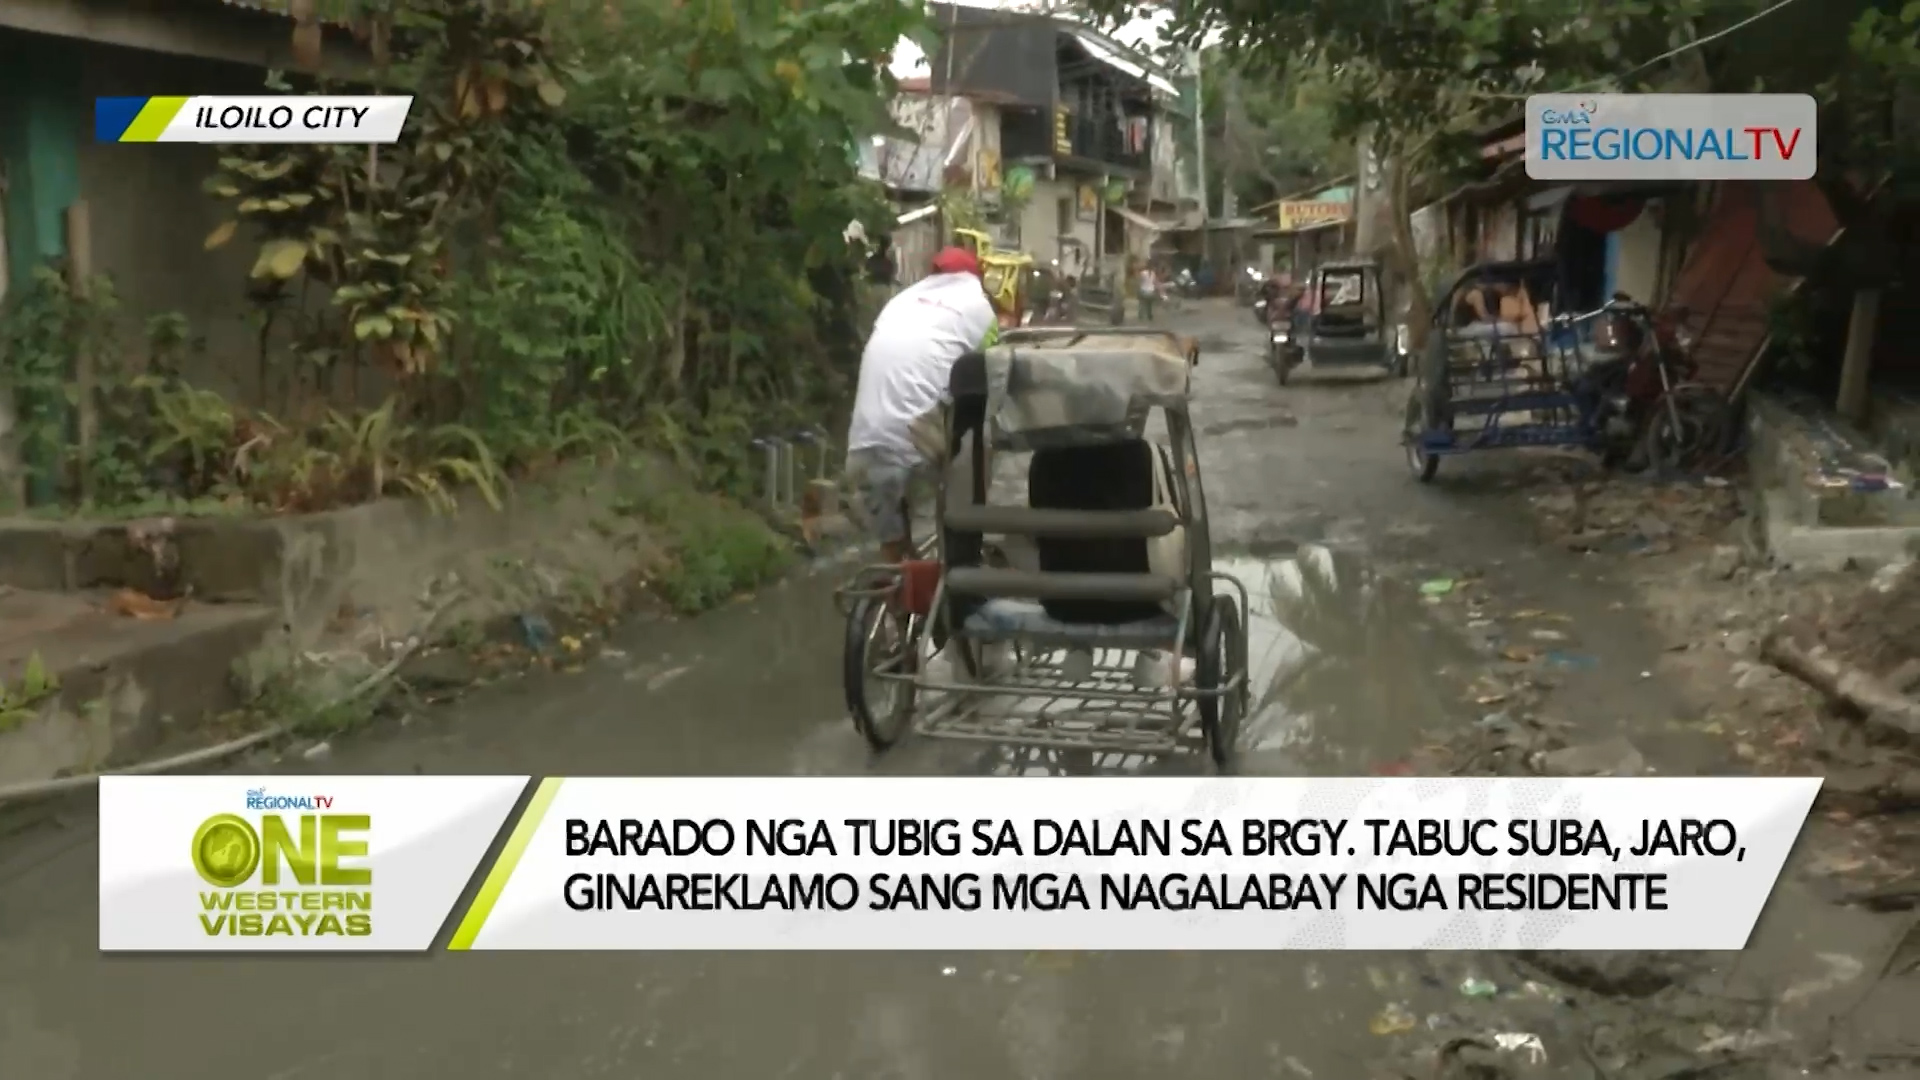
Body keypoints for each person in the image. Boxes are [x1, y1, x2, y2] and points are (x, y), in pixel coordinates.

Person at [844, 246, 999, 563]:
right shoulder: (982, 311)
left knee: (895, 548)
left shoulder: (897, 303)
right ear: (975, 277)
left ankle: (898, 592)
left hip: (864, 440)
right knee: (976, 456)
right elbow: (989, 377)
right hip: (920, 437)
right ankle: (960, 558)